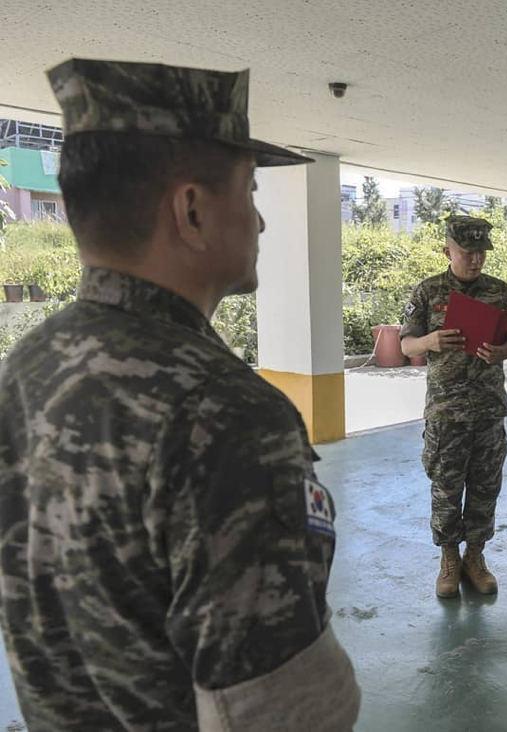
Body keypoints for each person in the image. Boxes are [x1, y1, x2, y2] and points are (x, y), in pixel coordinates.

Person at [0, 58, 359, 731]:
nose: (259, 222)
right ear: (191, 211)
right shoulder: (222, 412)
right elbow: (282, 714)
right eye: (248, 192)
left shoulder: (29, 364)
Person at [399, 215, 507, 598]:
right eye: (467, 252)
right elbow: (406, 345)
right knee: (446, 487)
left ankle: (475, 556)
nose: (476, 260)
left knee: (486, 486)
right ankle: (449, 559)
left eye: (481, 253)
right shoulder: (428, 291)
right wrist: (431, 341)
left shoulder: (500, 292)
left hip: (489, 409)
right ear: (448, 251)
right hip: (446, 410)